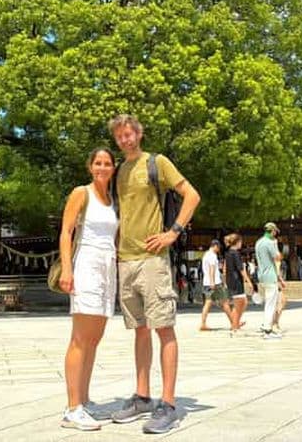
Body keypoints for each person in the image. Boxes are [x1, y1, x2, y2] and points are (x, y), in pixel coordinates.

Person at [108, 115, 201, 434]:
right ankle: (143, 395)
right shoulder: (119, 171)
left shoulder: (156, 162)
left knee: (163, 327)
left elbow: (192, 194)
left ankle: (169, 403)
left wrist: (173, 232)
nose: (125, 139)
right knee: (140, 329)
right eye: (120, 136)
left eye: (129, 133)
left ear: (139, 133)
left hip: (152, 258)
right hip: (126, 259)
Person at [58, 148, 119, 431]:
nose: (102, 167)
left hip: (108, 267)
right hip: (86, 265)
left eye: (107, 163)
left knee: (94, 338)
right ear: (90, 166)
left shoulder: (112, 199)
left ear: (113, 168)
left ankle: (84, 398)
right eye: (98, 163)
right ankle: (72, 408)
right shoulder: (81, 193)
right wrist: (68, 270)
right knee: (80, 338)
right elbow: (65, 232)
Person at [255, 222, 284, 338]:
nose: (276, 234)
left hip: (261, 275)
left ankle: (265, 325)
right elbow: (277, 257)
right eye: (275, 232)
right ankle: (268, 329)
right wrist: (276, 245)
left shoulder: (259, 242)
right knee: (271, 303)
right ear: (272, 231)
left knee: (268, 302)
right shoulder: (270, 243)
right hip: (270, 275)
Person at [199, 240, 234, 331]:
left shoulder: (206, 254)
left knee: (208, 303)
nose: (218, 250)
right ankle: (233, 322)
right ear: (215, 246)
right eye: (218, 248)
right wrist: (212, 281)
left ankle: (203, 323)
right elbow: (212, 269)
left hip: (207, 282)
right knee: (225, 303)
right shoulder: (212, 256)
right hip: (214, 283)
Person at [224, 233, 252, 331]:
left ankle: (236, 323)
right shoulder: (235, 253)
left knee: (241, 302)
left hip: (230, 280)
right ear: (238, 242)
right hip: (236, 281)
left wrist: (225, 280)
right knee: (240, 303)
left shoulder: (228, 253)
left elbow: (225, 268)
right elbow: (241, 269)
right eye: (241, 242)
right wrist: (249, 281)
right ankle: (235, 325)